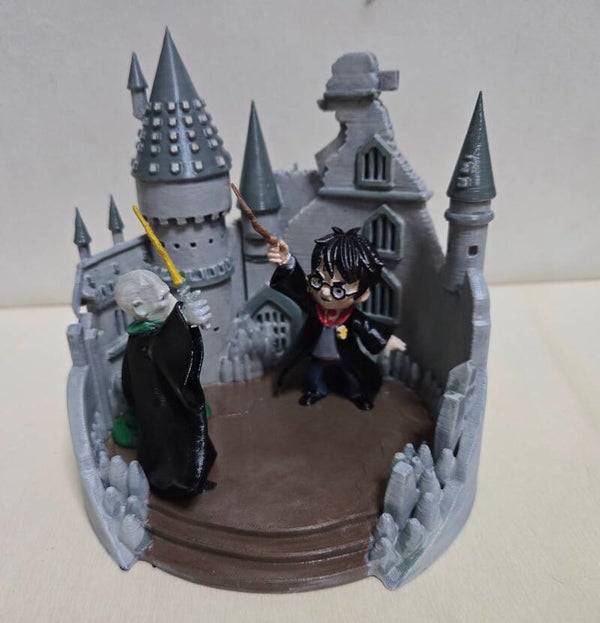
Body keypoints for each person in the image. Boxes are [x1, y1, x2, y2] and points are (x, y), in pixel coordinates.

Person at [268, 227, 405, 411]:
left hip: (344, 355)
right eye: (318, 280)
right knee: (313, 375)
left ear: (363, 294)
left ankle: (357, 394)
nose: (325, 292)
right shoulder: (312, 305)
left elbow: (368, 327)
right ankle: (317, 390)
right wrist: (287, 262)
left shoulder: (351, 317)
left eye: (338, 290)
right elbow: (297, 285)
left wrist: (386, 340)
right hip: (316, 354)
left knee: (353, 377)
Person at [114, 270, 216, 498]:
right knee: (175, 451)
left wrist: (187, 325)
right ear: (140, 308)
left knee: (192, 442)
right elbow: (167, 353)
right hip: (163, 415)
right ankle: (177, 485)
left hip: (172, 405)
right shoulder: (142, 342)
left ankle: (196, 478)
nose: (173, 302)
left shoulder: (150, 334)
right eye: (162, 298)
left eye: (168, 293)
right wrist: (184, 322)